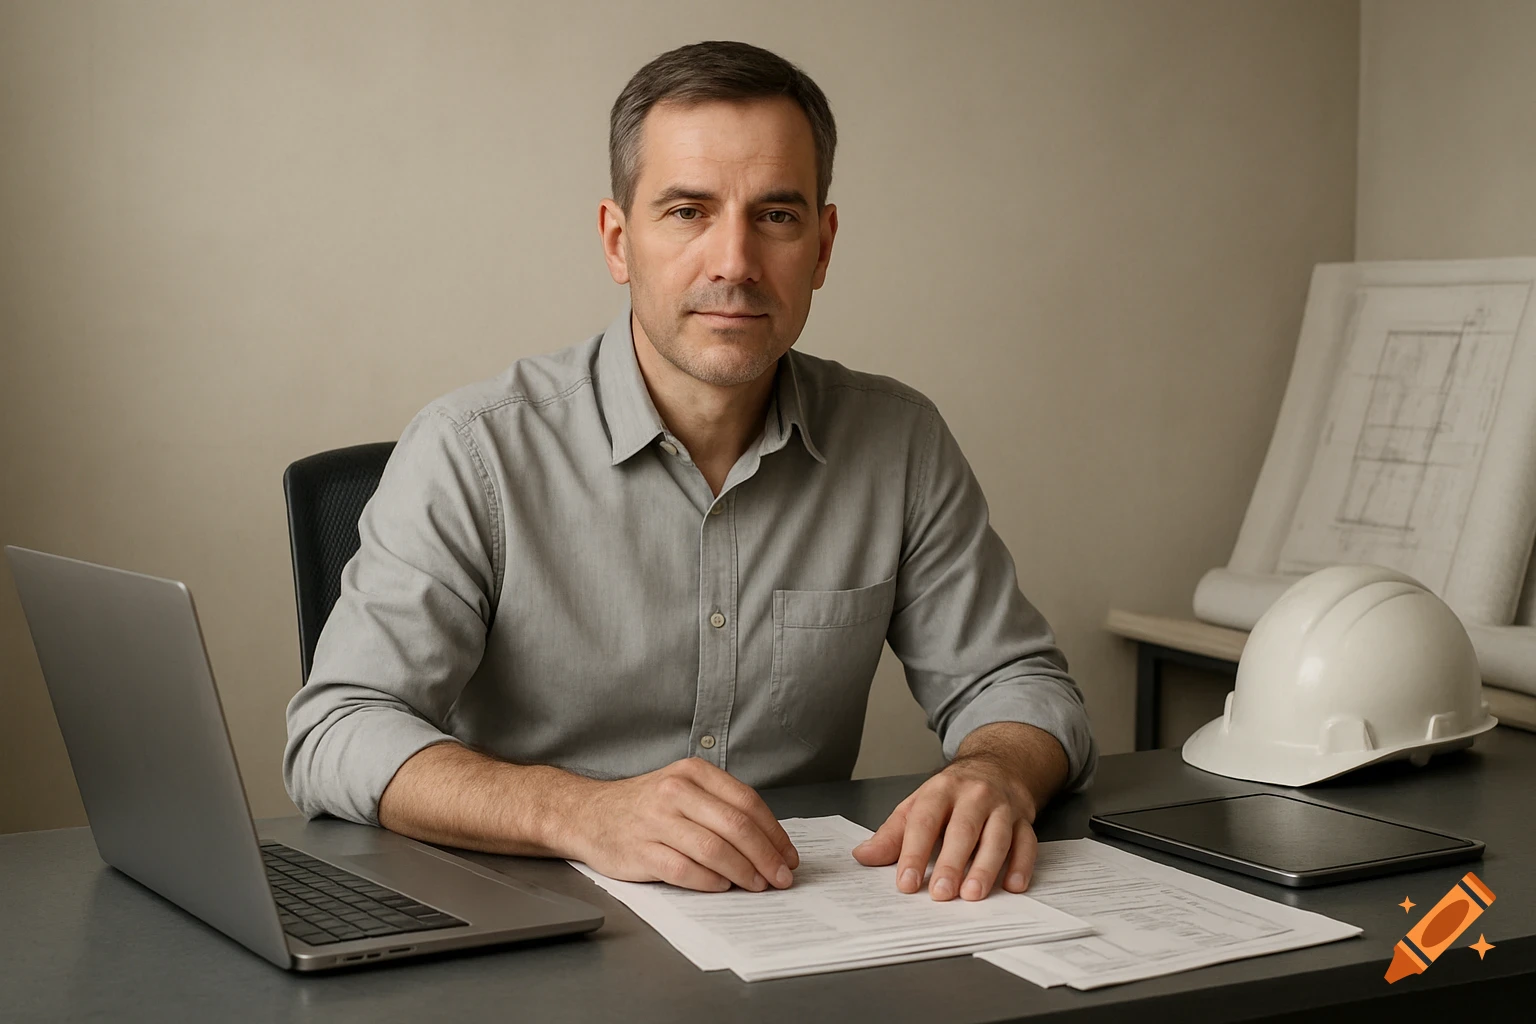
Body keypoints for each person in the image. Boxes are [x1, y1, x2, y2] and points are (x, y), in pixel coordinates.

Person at [284, 39, 1096, 905]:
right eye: (687, 211)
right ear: (617, 239)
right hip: (535, 926)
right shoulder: (470, 451)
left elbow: (1018, 685)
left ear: (822, 247)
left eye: (776, 216)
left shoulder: (898, 444)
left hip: (794, 925)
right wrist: (578, 812)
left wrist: (999, 771)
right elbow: (337, 730)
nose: (735, 263)